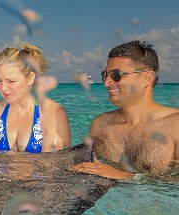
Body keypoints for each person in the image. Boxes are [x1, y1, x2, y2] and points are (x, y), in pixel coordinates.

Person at [74, 40, 179, 180]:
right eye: (105, 75)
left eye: (116, 75)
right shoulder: (100, 125)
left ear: (147, 78)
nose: (106, 82)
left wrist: (124, 176)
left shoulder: (174, 126)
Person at [0, 43, 71, 153]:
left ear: (30, 78)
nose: (3, 88)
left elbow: (53, 165)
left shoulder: (53, 115)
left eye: (11, 81)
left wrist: (8, 160)